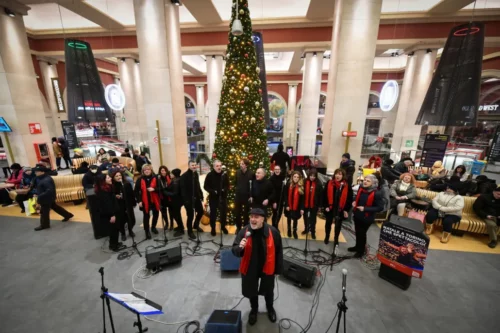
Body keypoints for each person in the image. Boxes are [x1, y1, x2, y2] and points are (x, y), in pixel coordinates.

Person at [232, 208, 283, 326]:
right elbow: (234, 250)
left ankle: (270, 308)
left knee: (269, 289)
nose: (253, 219)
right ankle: (254, 309)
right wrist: (240, 247)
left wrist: (278, 269)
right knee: (251, 289)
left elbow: (279, 252)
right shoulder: (244, 232)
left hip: (267, 266)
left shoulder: (273, 232)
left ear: (263, 219)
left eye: (256, 217)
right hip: (251, 266)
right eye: (251, 217)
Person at [350, 174, 384, 257]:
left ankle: (361, 251)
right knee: (358, 232)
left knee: (362, 234)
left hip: (367, 217)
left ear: (373, 183)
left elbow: (380, 207)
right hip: (357, 214)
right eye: (365, 180)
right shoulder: (360, 188)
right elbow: (357, 198)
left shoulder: (377, 193)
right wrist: (354, 201)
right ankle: (357, 247)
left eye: (368, 181)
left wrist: (365, 209)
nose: (365, 182)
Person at [33, 164, 73, 231]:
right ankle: (67, 215)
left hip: (46, 198)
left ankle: (44, 225)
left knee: (44, 212)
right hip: (48, 198)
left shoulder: (46, 180)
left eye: (37, 171)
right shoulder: (41, 178)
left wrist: (39, 195)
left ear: (42, 172)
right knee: (55, 207)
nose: (35, 173)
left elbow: (49, 190)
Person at [95, 174, 125, 252]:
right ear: (103, 181)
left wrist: (115, 196)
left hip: (114, 211)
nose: (110, 178)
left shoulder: (108, 187)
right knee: (113, 230)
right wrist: (112, 215)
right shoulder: (102, 192)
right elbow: (106, 204)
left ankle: (116, 243)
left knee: (116, 228)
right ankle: (113, 246)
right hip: (110, 214)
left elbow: (110, 199)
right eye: (108, 178)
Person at [323, 169, 353, 245]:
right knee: (328, 224)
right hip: (330, 207)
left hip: (340, 209)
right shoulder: (329, 183)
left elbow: (349, 199)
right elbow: (324, 195)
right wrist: (325, 205)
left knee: (338, 226)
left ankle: (336, 239)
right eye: (336, 174)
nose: (338, 175)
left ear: (343, 176)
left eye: (340, 174)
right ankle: (327, 237)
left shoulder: (346, 185)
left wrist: (346, 209)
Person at [204, 160, 229, 236]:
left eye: (220, 166)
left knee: (223, 214)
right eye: (217, 166)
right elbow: (205, 186)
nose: (219, 167)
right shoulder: (210, 175)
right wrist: (212, 191)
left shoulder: (224, 175)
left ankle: (223, 227)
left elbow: (227, 185)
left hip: (222, 198)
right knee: (213, 214)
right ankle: (213, 228)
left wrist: (224, 189)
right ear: (214, 167)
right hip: (213, 198)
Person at [134, 164, 160, 239]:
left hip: (155, 200)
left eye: (148, 169)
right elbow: (136, 191)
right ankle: (147, 231)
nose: (147, 171)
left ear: (151, 170)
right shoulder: (140, 179)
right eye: (145, 170)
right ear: (143, 171)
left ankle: (153, 227)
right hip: (144, 200)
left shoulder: (156, 178)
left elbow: (160, 188)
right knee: (146, 216)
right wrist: (139, 201)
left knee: (156, 214)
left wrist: (154, 189)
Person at [180, 160, 204, 240]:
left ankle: (196, 225)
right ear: (189, 166)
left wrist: (201, 194)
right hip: (188, 200)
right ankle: (190, 231)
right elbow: (183, 190)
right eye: (192, 165)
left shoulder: (195, 174)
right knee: (190, 215)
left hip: (196, 197)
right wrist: (186, 201)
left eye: (195, 165)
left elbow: (198, 185)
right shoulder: (184, 176)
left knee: (201, 211)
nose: (194, 166)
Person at [112, 171, 136, 241]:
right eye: (116, 176)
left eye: (120, 175)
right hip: (119, 205)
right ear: (113, 178)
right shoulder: (112, 186)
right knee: (121, 220)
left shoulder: (127, 184)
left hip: (128, 204)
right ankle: (123, 233)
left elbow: (131, 194)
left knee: (130, 218)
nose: (119, 177)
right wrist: (115, 196)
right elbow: (111, 195)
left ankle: (130, 230)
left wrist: (133, 203)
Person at [235, 159, 254, 233]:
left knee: (246, 213)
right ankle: (238, 228)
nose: (240, 165)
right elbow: (235, 182)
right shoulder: (237, 172)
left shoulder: (251, 173)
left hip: (247, 196)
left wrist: (251, 195)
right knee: (237, 213)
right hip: (238, 196)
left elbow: (253, 185)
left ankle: (245, 228)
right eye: (240, 163)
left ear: (246, 165)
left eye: (242, 164)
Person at [303, 168, 322, 239]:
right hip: (305, 204)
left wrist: (320, 206)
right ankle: (306, 229)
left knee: (313, 219)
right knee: (305, 218)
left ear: (316, 176)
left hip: (314, 205)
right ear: (309, 175)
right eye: (311, 176)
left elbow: (321, 196)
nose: (312, 177)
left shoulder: (319, 183)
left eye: (314, 176)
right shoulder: (305, 181)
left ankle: (313, 231)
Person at [284, 171, 304, 239]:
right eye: (294, 177)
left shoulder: (301, 186)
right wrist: (286, 205)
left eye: (297, 177)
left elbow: (302, 199)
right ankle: (289, 230)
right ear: (292, 177)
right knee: (289, 218)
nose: (296, 178)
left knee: (295, 219)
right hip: (289, 205)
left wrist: (301, 208)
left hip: (296, 206)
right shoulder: (288, 184)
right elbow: (285, 195)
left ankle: (294, 231)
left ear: (299, 178)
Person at [166, 168, 185, 237]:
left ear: (174, 175)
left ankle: (181, 230)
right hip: (177, 201)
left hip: (176, 201)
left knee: (176, 215)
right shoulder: (176, 179)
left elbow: (174, 193)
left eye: (171, 174)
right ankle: (181, 226)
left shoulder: (176, 181)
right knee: (177, 215)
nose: (170, 175)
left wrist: (165, 192)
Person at [270, 164, 286, 228]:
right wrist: (274, 202)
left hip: (281, 199)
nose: (277, 171)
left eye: (278, 169)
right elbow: (271, 191)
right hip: (274, 200)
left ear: (280, 170)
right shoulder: (271, 179)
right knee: (275, 214)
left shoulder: (283, 178)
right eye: (276, 169)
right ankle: (274, 226)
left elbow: (284, 189)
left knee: (279, 214)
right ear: (274, 170)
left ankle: (276, 225)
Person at [157, 165, 173, 230]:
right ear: (160, 172)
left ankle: (171, 224)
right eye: (162, 171)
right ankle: (166, 223)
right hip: (162, 197)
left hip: (169, 197)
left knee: (171, 212)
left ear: (166, 171)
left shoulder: (170, 177)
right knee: (164, 212)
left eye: (164, 170)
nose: (163, 172)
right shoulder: (158, 178)